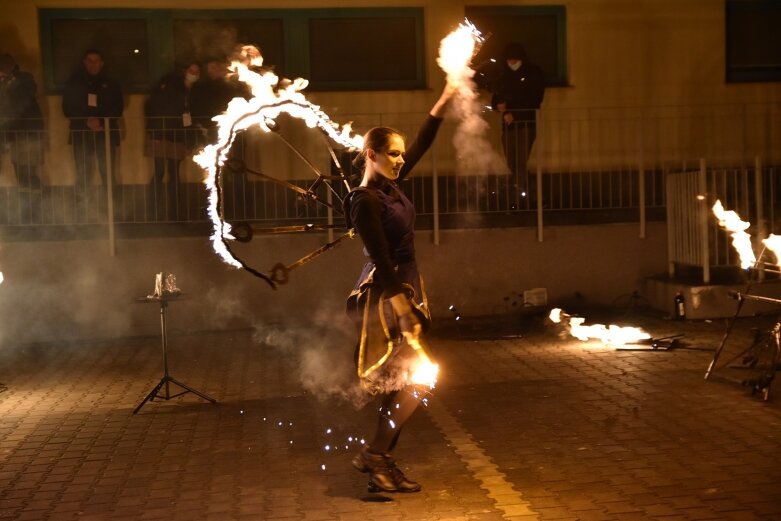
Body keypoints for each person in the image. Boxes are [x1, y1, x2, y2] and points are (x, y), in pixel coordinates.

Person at [344, 85, 453, 493]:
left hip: (404, 289)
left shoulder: (391, 186)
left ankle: (380, 462)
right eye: (393, 153)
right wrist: (404, 310)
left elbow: (424, 141)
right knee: (421, 378)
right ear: (371, 154)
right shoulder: (365, 200)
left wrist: (444, 99)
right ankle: (376, 456)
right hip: (384, 297)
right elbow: (381, 259)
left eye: (401, 154)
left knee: (408, 382)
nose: (401, 159)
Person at [145, 61, 203, 220]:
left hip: (178, 136)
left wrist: (190, 140)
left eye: (197, 71)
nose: (194, 74)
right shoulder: (171, 85)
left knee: (174, 173)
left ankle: (174, 211)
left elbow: (191, 116)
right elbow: (154, 108)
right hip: (163, 134)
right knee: (159, 171)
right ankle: (153, 210)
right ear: (185, 71)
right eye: (192, 70)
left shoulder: (194, 90)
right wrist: (155, 133)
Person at [62, 49, 123, 197]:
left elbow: (118, 107)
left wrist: (100, 121)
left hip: (105, 133)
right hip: (81, 134)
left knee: (107, 170)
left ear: (102, 63)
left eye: (96, 60)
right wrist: (86, 121)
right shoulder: (73, 83)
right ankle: (83, 207)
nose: (93, 64)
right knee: (83, 171)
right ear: (84, 62)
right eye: (90, 60)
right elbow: (67, 108)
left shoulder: (112, 83)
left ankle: (112, 207)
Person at [490, 42, 545, 204]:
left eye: (514, 60)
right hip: (508, 126)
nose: (512, 64)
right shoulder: (503, 75)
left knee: (520, 161)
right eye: (509, 61)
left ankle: (516, 198)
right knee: (512, 162)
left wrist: (515, 113)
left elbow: (535, 99)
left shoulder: (533, 73)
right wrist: (498, 105)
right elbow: (496, 97)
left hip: (526, 125)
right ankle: (531, 190)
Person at [0, 54, 44, 191]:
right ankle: (29, 206)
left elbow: (18, 106)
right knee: (20, 172)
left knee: (28, 174)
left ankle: (36, 206)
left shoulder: (24, 80)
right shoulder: (7, 84)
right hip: (17, 135)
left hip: (28, 134)